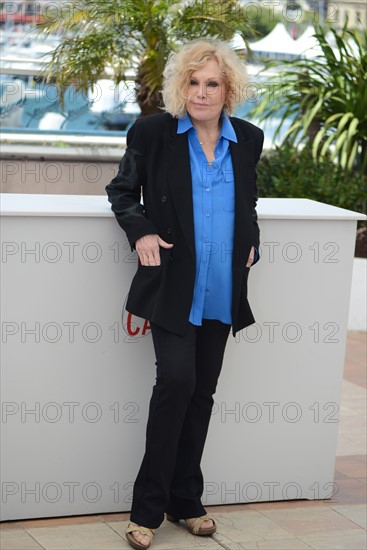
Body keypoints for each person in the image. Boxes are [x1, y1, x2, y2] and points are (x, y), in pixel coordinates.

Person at [105, 38, 264, 550]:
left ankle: (186, 502)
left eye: (212, 83)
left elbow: (248, 203)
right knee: (175, 383)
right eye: (193, 82)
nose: (201, 92)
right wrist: (142, 231)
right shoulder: (153, 133)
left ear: (228, 88)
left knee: (201, 394)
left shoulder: (249, 138)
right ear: (181, 86)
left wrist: (251, 241)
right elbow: (122, 192)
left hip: (223, 286)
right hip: (175, 286)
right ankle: (147, 510)